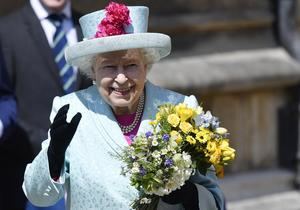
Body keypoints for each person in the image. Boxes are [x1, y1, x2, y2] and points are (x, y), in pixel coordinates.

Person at [22, 2, 225, 209]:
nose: (121, 78)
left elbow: (216, 201)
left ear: (146, 66)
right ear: (93, 71)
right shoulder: (71, 110)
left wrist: (191, 196)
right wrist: (53, 157)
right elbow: (38, 197)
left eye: (131, 65)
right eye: (109, 66)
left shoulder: (181, 109)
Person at [0, 0, 91, 209]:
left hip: (87, 174)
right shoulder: (5, 30)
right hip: (27, 173)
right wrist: (51, 147)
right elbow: (5, 99)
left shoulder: (87, 26)